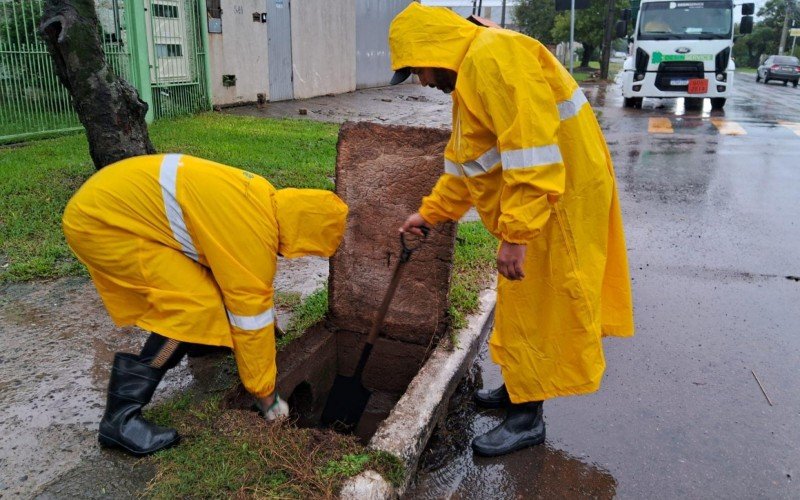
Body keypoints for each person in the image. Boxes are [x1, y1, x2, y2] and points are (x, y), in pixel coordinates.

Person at [389, 4, 634, 457]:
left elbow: (532, 150)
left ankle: (527, 419)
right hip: (542, 198)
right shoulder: (472, 74)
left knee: (538, 302)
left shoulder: (494, 57)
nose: (422, 81)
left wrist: (517, 234)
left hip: (555, 201)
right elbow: (470, 163)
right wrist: (430, 213)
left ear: (433, 50)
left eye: (418, 70)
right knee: (522, 302)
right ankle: (519, 388)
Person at [62, 154, 348, 456]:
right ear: (304, 235)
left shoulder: (262, 198)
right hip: (105, 224)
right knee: (192, 308)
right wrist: (267, 396)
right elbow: (250, 315)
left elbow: (232, 275)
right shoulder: (252, 235)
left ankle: (202, 342)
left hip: (111, 198)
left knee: (205, 291)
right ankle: (120, 419)